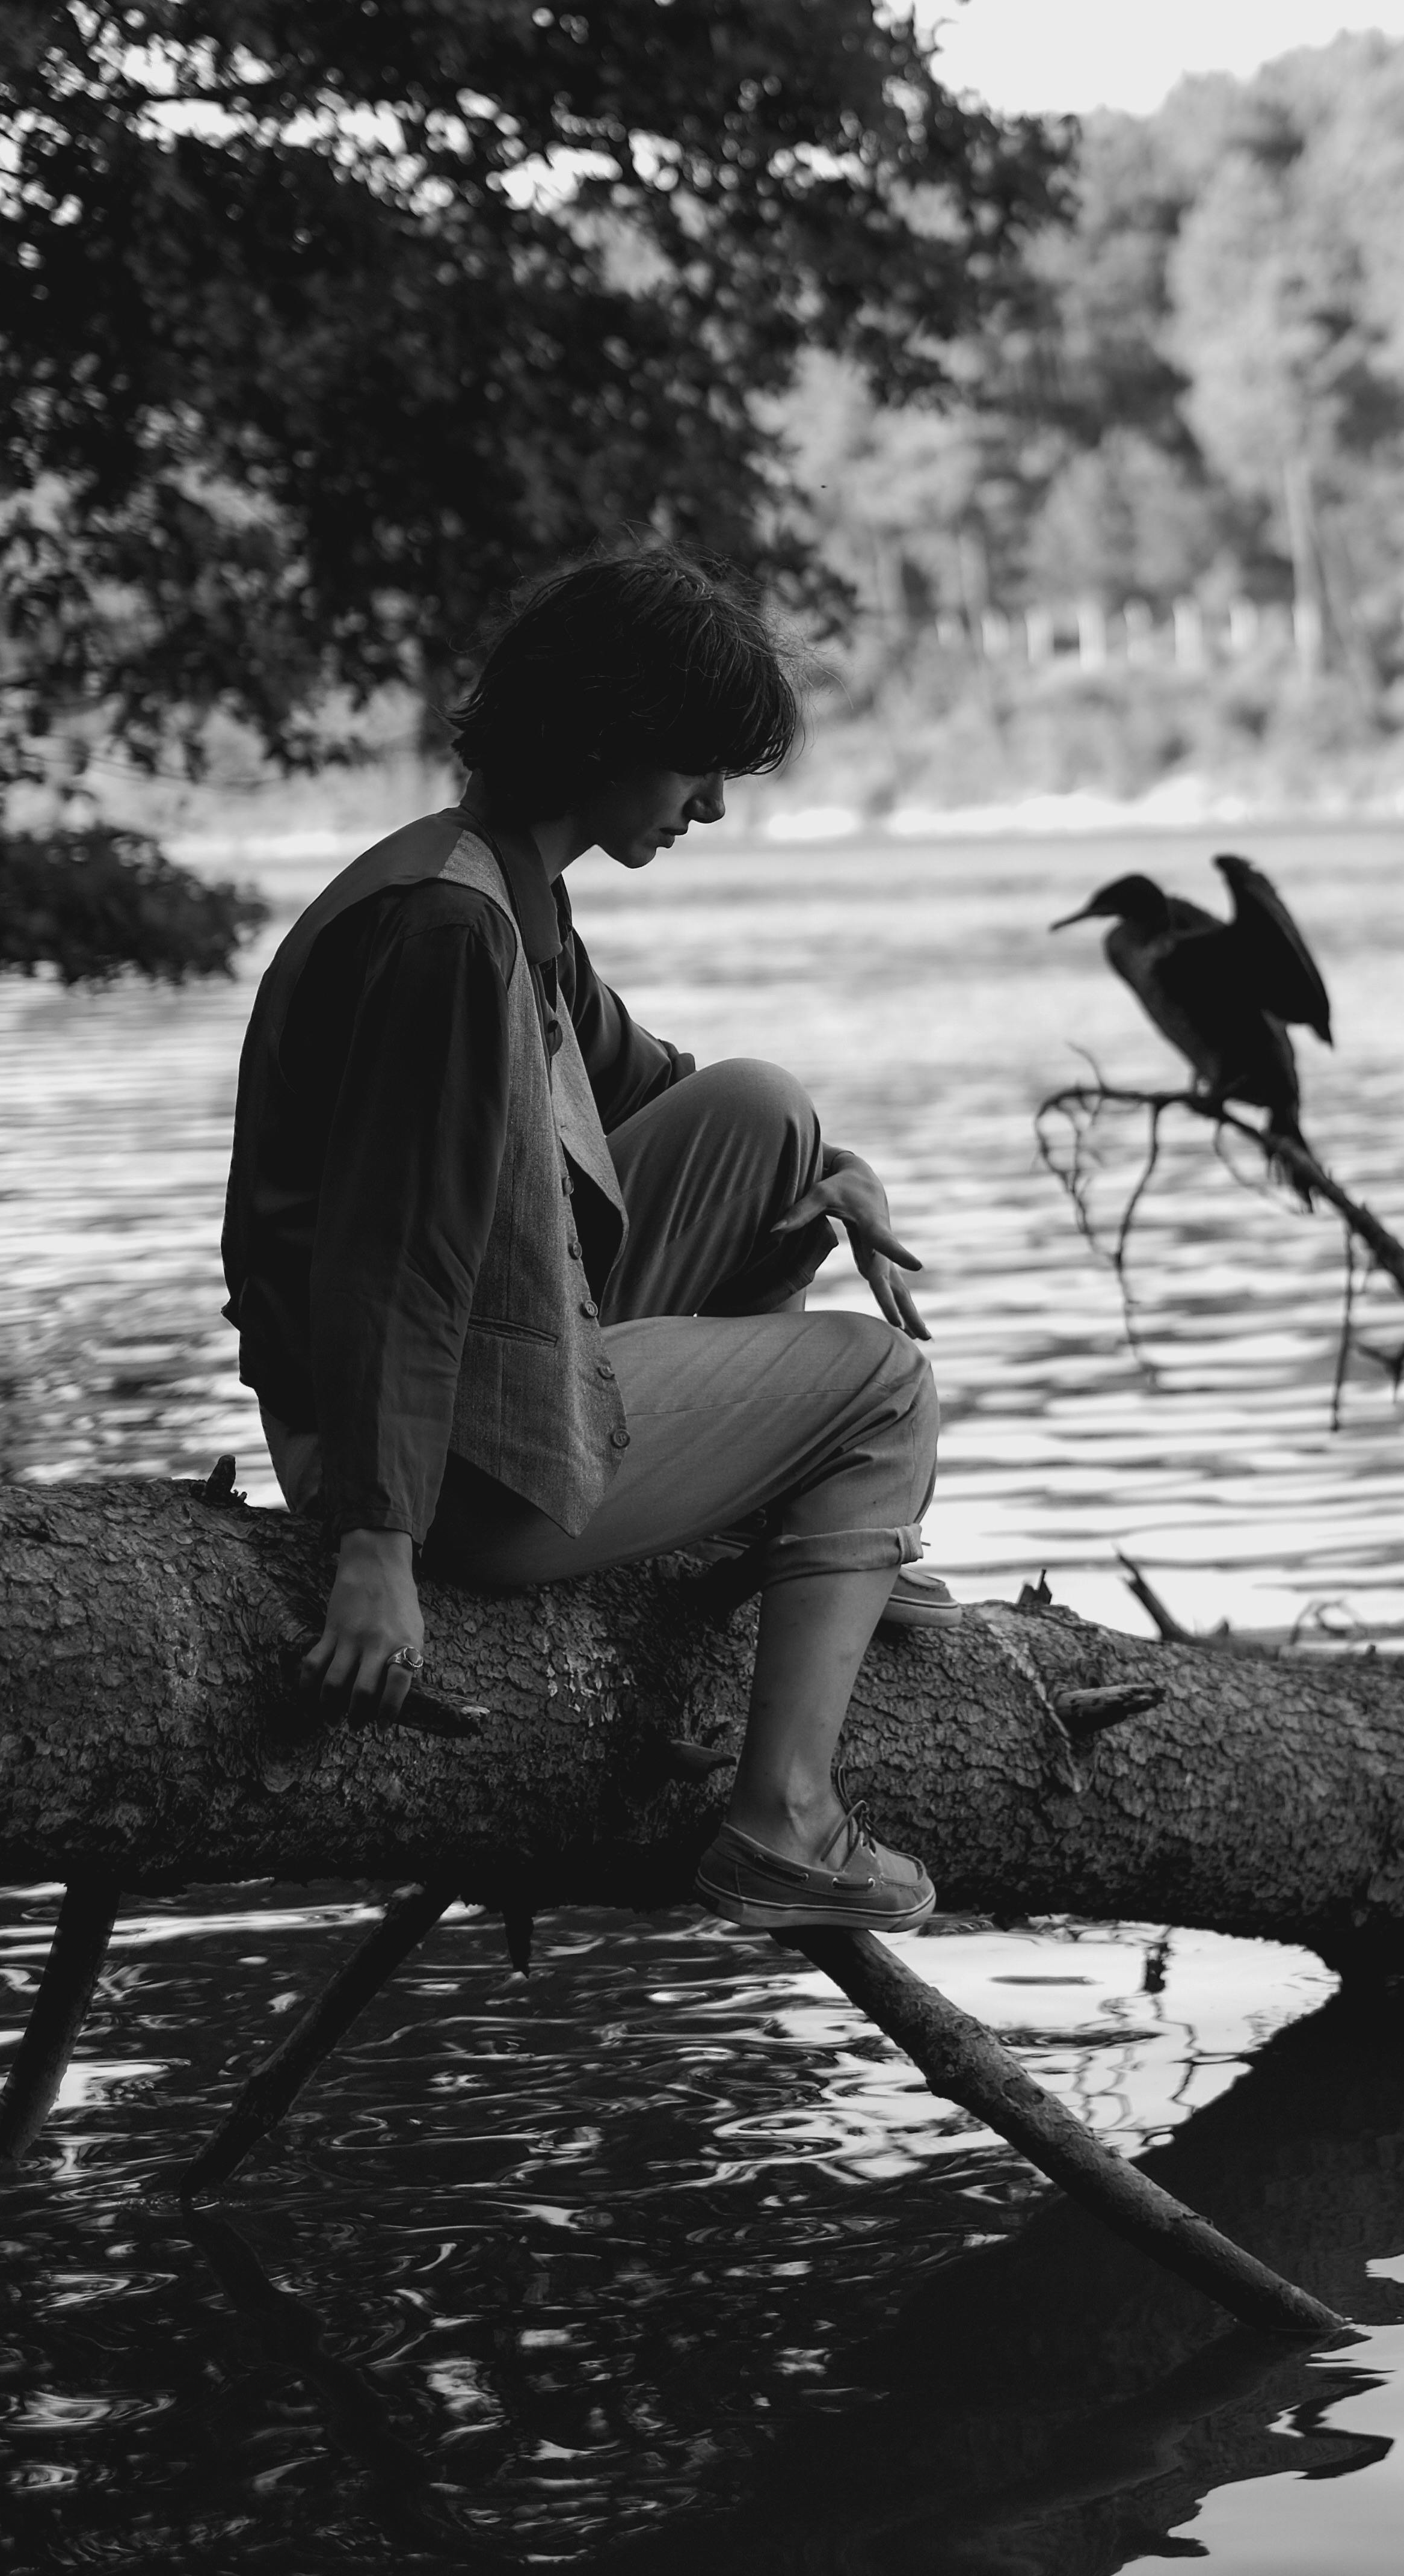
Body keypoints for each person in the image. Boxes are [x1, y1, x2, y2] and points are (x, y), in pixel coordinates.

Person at [220, 543, 944, 1933]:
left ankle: (817, 1544)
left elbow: (656, 1094)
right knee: (882, 1388)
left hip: (487, 1391)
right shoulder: (450, 932)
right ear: (610, 735)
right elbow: (395, 1258)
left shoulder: (506, 887)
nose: (712, 807)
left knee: (762, 1112)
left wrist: (832, 1172)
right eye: (695, 767)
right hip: (429, 1475)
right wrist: (377, 1549)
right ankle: (783, 1822)